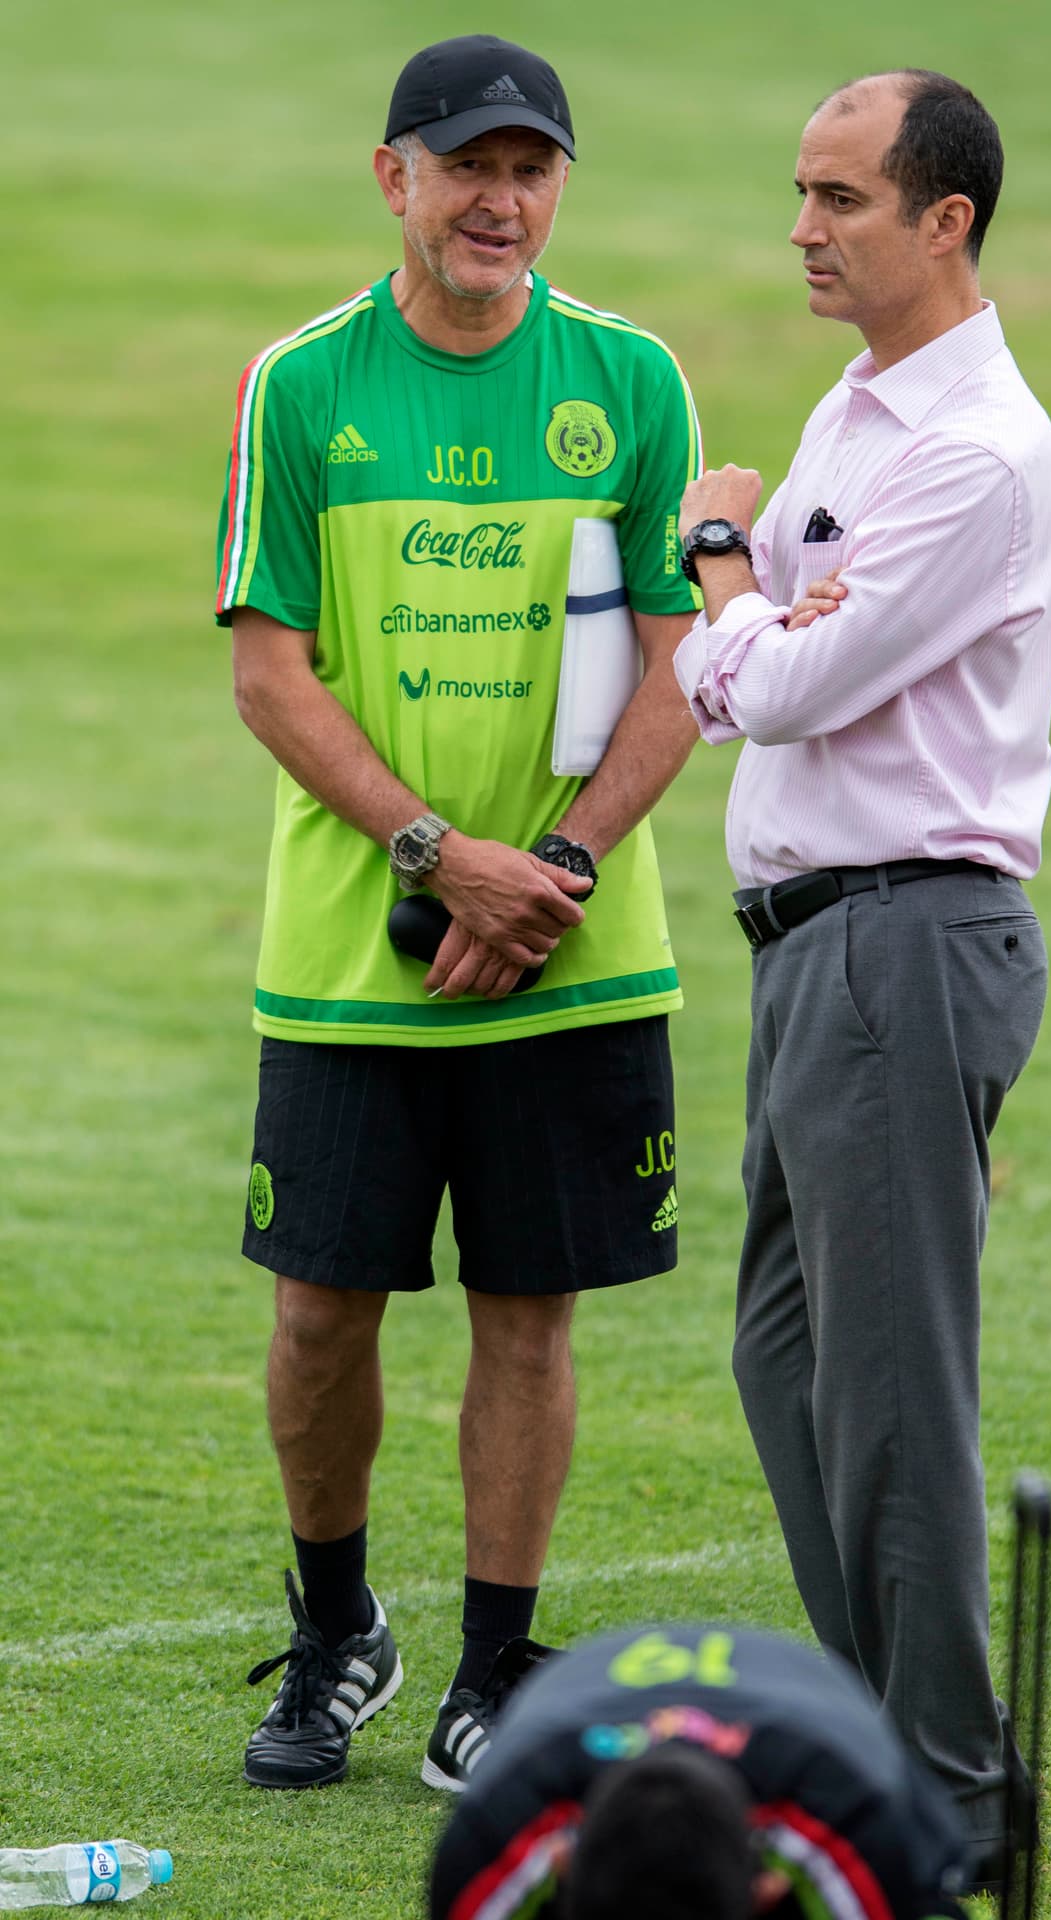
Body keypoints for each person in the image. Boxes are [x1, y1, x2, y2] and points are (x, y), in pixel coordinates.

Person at [214, 33, 702, 1792]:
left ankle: (498, 1665)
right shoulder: (302, 385)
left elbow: (686, 664)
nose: (502, 202)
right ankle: (341, 1629)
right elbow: (270, 675)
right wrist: (440, 856)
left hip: (570, 954)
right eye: (468, 167)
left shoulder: (631, 379)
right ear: (394, 178)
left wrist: (548, 871)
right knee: (318, 1315)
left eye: (532, 170)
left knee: (527, 1310)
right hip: (355, 954)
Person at [671, 70, 1051, 1885]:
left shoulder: (974, 453)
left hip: (904, 940)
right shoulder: (859, 407)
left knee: (893, 1396)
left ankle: (947, 1806)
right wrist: (759, 621)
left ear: (945, 219)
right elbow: (752, 677)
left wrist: (724, 563)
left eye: (841, 198)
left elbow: (771, 683)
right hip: (819, 950)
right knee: (785, 1360)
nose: (804, 230)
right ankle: (884, 1754)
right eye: (802, 193)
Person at [427, 1623, 972, 1918]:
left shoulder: (867, 1827)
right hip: (590, 1691)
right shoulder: (498, 1834)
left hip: (809, 1711)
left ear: (768, 1895)